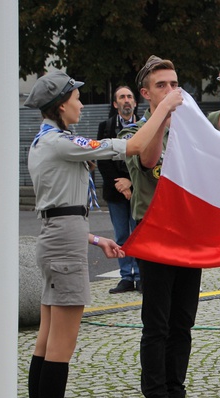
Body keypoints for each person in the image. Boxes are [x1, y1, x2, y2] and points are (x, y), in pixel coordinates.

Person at [23, 70, 183, 398]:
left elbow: (58, 208)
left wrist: (96, 238)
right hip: (63, 244)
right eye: (76, 97)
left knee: (45, 340)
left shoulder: (44, 141)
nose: (81, 103)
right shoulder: (62, 142)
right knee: (62, 343)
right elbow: (131, 145)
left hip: (60, 236)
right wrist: (163, 108)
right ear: (61, 105)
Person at [120, 56, 220, 398]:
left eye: (174, 83)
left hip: (188, 234)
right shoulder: (142, 130)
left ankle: (177, 396)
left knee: (183, 322)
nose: (171, 90)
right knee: (156, 323)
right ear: (145, 93)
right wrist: (164, 114)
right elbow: (150, 158)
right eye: (162, 85)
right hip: (156, 233)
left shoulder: (191, 126)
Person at [97, 85, 141, 293]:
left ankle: (142, 276)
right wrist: (120, 183)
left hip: (139, 189)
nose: (126, 100)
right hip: (116, 192)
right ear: (115, 104)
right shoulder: (105, 126)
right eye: (122, 97)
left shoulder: (144, 125)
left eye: (129, 97)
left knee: (139, 234)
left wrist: (131, 182)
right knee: (122, 235)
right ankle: (126, 276)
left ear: (135, 102)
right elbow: (102, 159)